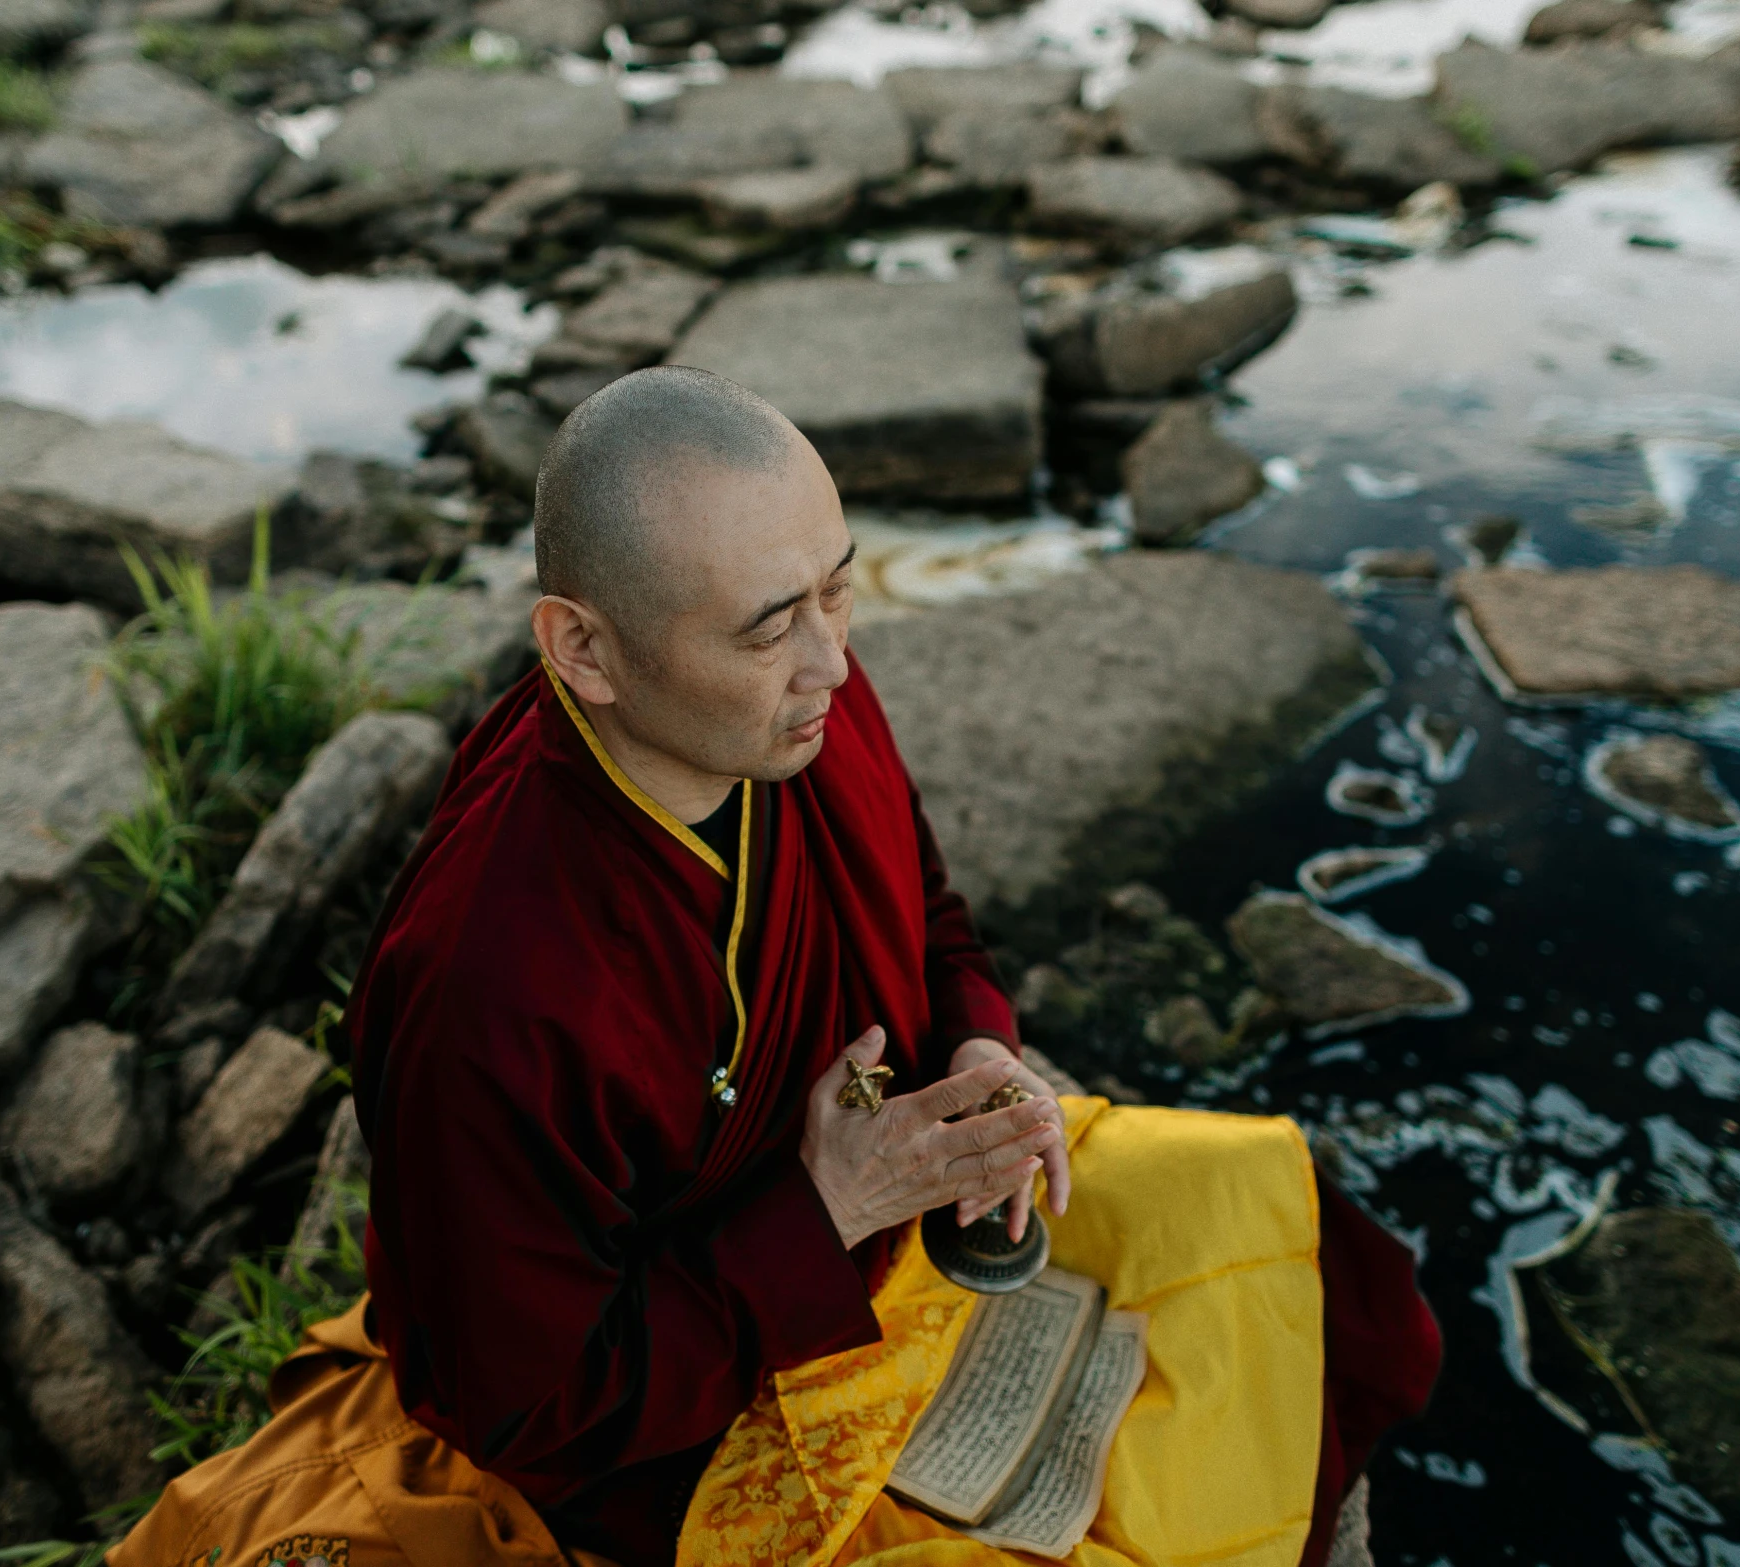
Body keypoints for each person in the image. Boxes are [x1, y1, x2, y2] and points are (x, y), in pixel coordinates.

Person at [110, 368, 1441, 1567]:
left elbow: (923, 904)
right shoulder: (496, 984)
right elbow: (531, 1407)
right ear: (584, 649)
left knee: (1276, 1227)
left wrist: (977, 1047)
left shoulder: (793, 710)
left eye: (839, 586)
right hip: (684, 1408)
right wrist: (823, 1208)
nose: (833, 661)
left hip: (877, 1222)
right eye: (766, 626)